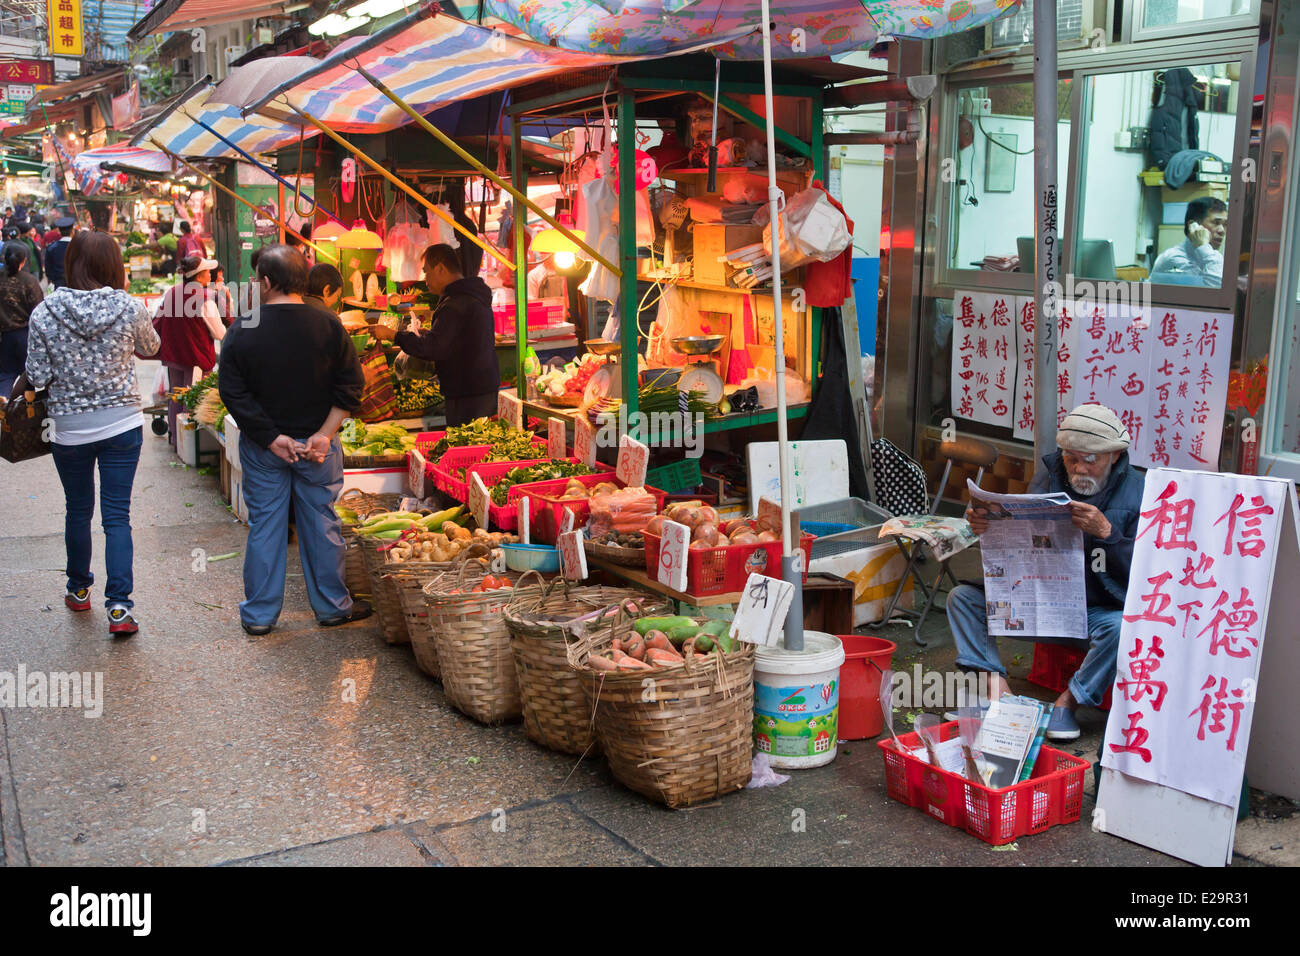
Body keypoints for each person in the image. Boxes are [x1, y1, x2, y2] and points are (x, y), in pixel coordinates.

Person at [945, 404, 1144, 741]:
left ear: (1114, 455)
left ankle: (1068, 704)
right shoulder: (1049, 476)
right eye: (1071, 458)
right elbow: (1019, 538)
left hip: (1093, 610)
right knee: (963, 599)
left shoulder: (1140, 491)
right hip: (1036, 602)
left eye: (1090, 460)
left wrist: (1108, 533)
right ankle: (1000, 696)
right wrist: (986, 524)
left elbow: (1148, 572)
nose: (1079, 468)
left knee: (1122, 627)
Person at [217, 244, 369, 636]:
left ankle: (260, 616)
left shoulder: (244, 327)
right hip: (319, 449)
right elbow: (352, 387)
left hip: (266, 448)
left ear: (266, 282)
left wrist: (272, 438)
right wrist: (323, 435)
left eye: (256, 279)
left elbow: (232, 393)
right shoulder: (329, 323)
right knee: (321, 521)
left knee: (266, 525)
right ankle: (333, 607)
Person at [24, 231, 160, 636]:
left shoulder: (44, 312)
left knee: (78, 510)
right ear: (114, 266)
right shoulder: (129, 306)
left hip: (68, 429)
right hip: (122, 424)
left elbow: (37, 376)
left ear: (70, 263)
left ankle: (79, 590)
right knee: (117, 516)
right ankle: (119, 607)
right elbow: (151, 348)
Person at [368, 243, 497, 425]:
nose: (425, 279)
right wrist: (431, 333)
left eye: (426, 271)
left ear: (441, 269)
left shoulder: (455, 304)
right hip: (478, 389)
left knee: (467, 446)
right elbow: (456, 340)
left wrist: (392, 335)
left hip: (467, 394)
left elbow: (432, 349)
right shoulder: (470, 297)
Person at [154, 256, 226, 447]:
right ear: (200, 275)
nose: (210, 274)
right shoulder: (204, 298)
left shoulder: (171, 293)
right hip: (197, 359)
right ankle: (191, 446)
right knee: (193, 399)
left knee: (175, 397)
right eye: (207, 271)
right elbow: (220, 333)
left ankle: (176, 440)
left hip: (174, 356)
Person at [1150, 197, 1227, 287]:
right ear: (1193, 226)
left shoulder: (1214, 255)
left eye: (1225, 224)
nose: (1222, 230)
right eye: (1216, 223)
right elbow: (1213, 292)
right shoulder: (1174, 258)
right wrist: (1203, 247)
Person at [0, 241, 43, 395]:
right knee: (28, 375)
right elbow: (38, 310)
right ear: (23, 261)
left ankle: (3, 399)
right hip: (25, 334)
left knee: (5, 374)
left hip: (4, 335)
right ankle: (27, 409)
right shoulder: (29, 281)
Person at [44, 217, 74, 288]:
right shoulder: (79, 246)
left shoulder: (52, 247)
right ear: (72, 231)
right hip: (77, 284)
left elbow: (48, 269)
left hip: (59, 284)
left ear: (59, 231)